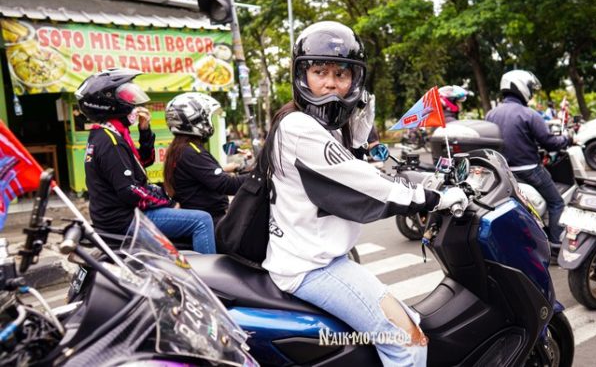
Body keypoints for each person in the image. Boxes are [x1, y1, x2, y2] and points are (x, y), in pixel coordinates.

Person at [260, 21, 468, 366]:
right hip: (312, 267)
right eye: (319, 71)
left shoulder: (316, 126)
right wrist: (436, 198)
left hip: (317, 257)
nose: (330, 83)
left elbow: (349, 166)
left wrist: (358, 126)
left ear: (355, 81)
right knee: (409, 342)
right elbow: (368, 185)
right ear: (302, 75)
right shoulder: (299, 127)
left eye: (341, 74)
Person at [75, 69, 216, 253]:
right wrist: (169, 203)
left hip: (116, 215)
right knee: (202, 220)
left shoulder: (107, 134)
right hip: (124, 219)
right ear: (110, 104)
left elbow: (143, 162)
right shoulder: (111, 142)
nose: (134, 104)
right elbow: (130, 190)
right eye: (126, 97)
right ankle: (208, 270)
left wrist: (145, 130)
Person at [485, 70, 571, 245]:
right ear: (521, 86)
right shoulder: (529, 114)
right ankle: (555, 243)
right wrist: (567, 138)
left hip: (502, 172)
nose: (531, 92)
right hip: (528, 170)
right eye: (530, 88)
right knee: (557, 202)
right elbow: (550, 143)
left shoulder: (490, 114)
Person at [163, 92, 250, 227]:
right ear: (195, 121)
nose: (209, 122)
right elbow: (225, 184)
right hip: (210, 220)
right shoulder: (191, 152)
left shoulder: (181, 148)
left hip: (208, 216)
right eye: (207, 118)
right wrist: (260, 176)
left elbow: (205, 175)